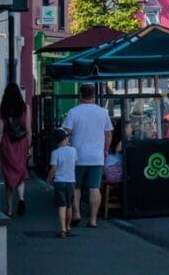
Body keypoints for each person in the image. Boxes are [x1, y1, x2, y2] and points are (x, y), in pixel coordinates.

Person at [62, 83, 113, 228]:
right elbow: (108, 134)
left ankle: (77, 214)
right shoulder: (102, 112)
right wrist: (105, 149)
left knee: (76, 187)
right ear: (94, 95)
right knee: (94, 188)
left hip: (77, 156)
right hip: (96, 157)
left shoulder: (73, 112)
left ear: (80, 95)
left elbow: (66, 132)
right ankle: (92, 220)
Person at [0, 82, 31, 217]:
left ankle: (10, 209)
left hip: (7, 143)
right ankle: (22, 199)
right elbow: (28, 129)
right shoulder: (25, 108)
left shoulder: (2, 108)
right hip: (21, 143)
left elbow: (0, 131)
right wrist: (29, 146)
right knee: (21, 172)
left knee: (8, 176)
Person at [46, 129, 77, 238]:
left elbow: (53, 169)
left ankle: (62, 229)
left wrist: (48, 183)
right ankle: (68, 227)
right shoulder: (73, 151)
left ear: (56, 141)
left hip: (59, 182)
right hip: (71, 181)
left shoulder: (55, 153)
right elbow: (75, 163)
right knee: (69, 206)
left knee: (61, 206)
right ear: (66, 138)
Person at [104, 118, 128, 185]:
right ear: (124, 129)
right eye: (130, 127)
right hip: (114, 173)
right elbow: (119, 149)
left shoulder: (114, 139)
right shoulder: (121, 142)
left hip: (108, 172)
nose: (132, 129)